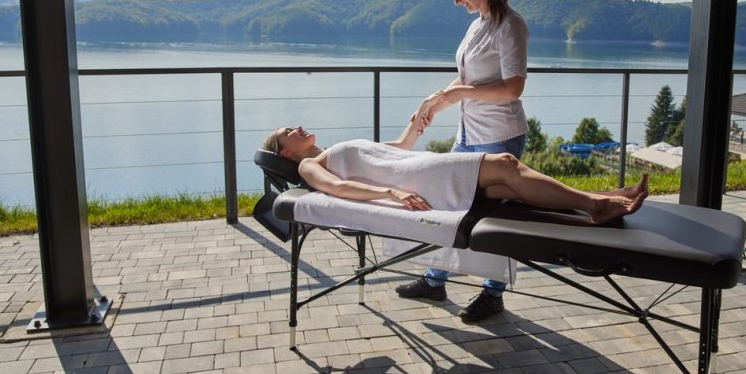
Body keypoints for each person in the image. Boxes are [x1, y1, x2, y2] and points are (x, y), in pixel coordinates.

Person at [402, 0, 530, 322]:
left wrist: (458, 93)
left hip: (499, 136)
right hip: (469, 134)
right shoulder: (477, 25)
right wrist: (435, 101)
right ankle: (435, 279)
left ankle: (493, 293)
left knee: (492, 219)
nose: (457, 1)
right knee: (446, 205)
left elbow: (513, 88)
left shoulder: (511, 25)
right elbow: (467, 80)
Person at [262, 123, 648, 226]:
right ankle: (596, 203)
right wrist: (392, 195)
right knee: (506, 164)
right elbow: (339, 188)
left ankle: (605, 199)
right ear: (286, 154)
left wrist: (416, 123)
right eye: (287, 133)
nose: (297, 128)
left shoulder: (330, 150)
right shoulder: (310, 166)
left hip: (414, 166)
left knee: (505, 184)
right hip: (415, 178)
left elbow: (395, 148)